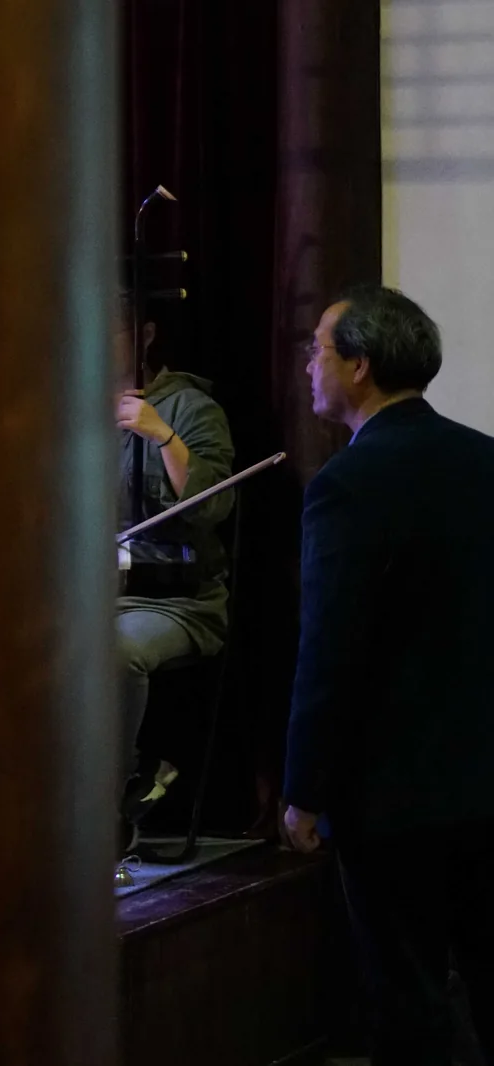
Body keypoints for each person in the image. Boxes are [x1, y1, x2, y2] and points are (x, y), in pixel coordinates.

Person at [283, 285, 494, 1064]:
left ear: (359, 366)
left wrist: (304, 788)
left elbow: (330, 651)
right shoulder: (486, 461)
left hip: (394, 797)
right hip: (486, 779)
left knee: (408, 1001)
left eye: (318, 349)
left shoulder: (347, 485)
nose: (309, 366)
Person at [114, 297, 235, 849]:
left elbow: (214, 508)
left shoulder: (190, 406)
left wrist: (163, 436)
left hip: (176, 600)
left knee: (114, 651)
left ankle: (110, 800)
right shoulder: (66, 407)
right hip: (95, 595)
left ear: (144, 335)